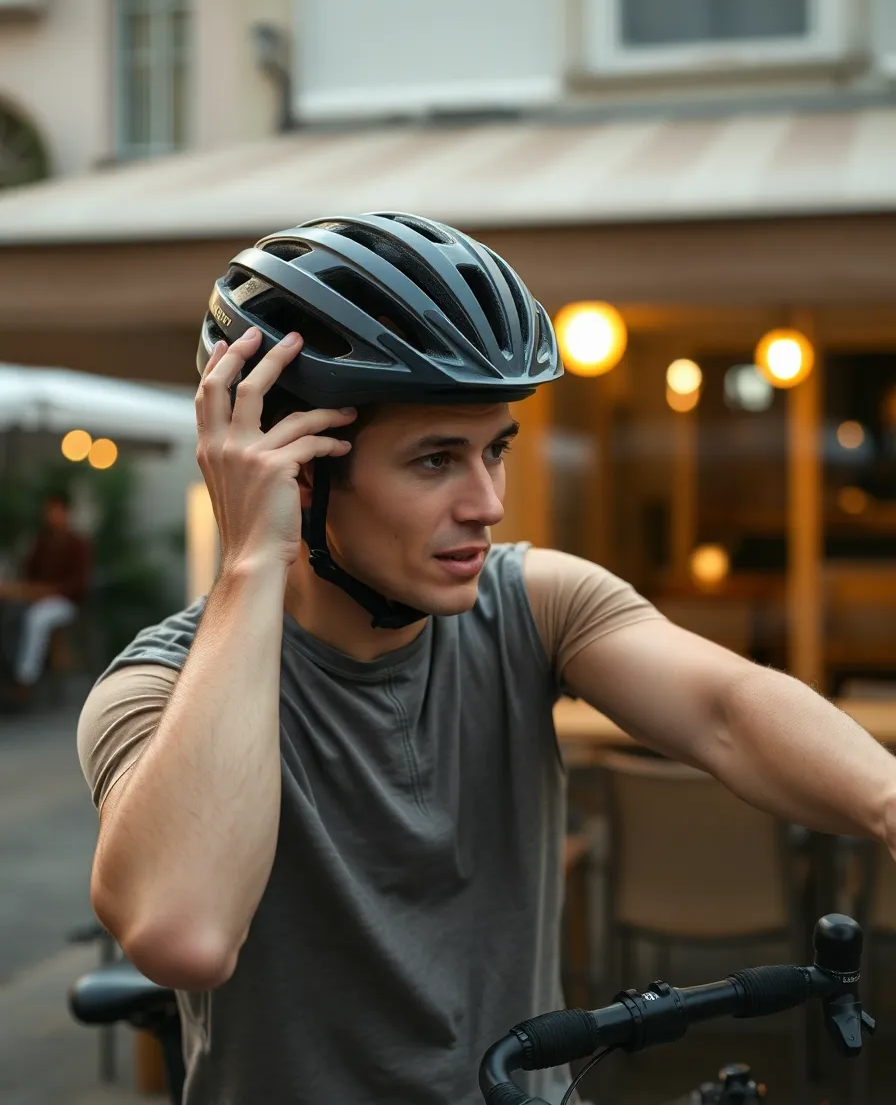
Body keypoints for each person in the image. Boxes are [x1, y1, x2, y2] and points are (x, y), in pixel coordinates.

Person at [77, 213, 896, 1105]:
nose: (489, 502)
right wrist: (246, 564)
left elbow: (728, 712)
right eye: (436, 461)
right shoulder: (155, 685)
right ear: (296, 474)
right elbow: (184, 936)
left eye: (494, 451)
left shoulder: (533, 603)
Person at [0, 490, 91, 703]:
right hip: (37, 598)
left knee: (37, 619)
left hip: (66, 603)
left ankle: (25, 680)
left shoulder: (79, 543)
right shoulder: (42, 542)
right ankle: (8, 670)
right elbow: (29, 574)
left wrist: (49, 591)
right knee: (11, 615)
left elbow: (78, 584)